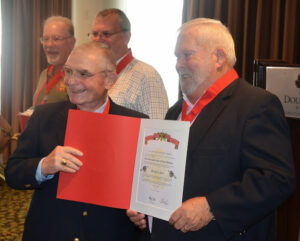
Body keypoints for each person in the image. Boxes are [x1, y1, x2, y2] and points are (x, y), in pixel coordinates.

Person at [127, 18, 295, 241]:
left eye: (187, 55)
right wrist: (145, 207)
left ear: (219, 57)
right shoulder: (175, 111)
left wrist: (211, 207)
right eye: (177, 57)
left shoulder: (256, 105)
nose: (178, 64)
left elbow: (275, 180)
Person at [5, 42, 148, 241]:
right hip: (51, 232)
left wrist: (143, 215)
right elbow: (12, 173)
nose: (71, 81)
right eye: (68, 71)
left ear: (109, 80)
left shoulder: (137, 124)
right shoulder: (44, 116)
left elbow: (147, 189)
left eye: (83, 74)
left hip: (110, 233)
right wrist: (43, 166)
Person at [90, 8, 169, 119]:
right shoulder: (90, 75)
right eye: (95, 34)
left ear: (126, 37)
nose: (98, 39)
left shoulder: (147, 76)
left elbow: (157, 127)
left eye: (106, 34)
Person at [33, 16, 76, 106]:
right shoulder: (44, 74)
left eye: (56, 39)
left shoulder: (78, 77)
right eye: (46, 39)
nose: (49, 44)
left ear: (72, 42)